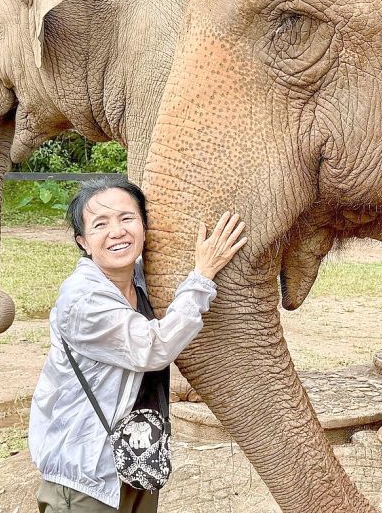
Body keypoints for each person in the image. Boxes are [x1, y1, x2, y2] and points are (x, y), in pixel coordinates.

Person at [28, 178, 246, 513]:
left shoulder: (139, 280)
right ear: (83, 242)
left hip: (136, 462)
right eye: (100, 224)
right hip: (86, 477)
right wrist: (202, 275)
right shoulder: (83, 300)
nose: (116, 231)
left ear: (145, 227)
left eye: (126, 218)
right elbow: (154, 348)